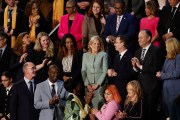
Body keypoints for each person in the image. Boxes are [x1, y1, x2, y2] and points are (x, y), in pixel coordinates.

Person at [131, 29, 163, 120]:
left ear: (149, 38)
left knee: (150, 112)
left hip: (151, 88)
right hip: (139, 88)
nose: (139, 40)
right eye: (138, 38)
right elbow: (134, 71)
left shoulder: (156, 50)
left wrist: (140, 66)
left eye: (141, 38)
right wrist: (134, 67)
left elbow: (156, 68)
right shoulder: (137, 51)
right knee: (141, 113)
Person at [104, 0, 138, 66]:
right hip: (112, 51)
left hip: (125, 50)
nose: (117, 10)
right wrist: (108, 38)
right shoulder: (110, 18)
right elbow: (106, 33)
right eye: (116, 8)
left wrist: (117, 39)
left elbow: (132, 33)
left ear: (124, 8)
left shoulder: (131, 18)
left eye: (119, 8)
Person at [156, 38, 180, 119]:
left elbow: (177, 72)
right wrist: (160, 73)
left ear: (171, 47)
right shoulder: (167, 58)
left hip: (175, 90)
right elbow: (164, 71)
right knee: (170, 112)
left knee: (177, 113)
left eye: (167, 46)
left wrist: (162, 75)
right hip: (166, 89)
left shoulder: (179, 57)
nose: (165, 48)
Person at [81, 35, 108, 109]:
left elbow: (105, 70)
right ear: (90, 44)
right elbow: (83, 71)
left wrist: (98, 84)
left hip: (100, 84)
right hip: (88, 85)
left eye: (98, 44)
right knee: (89, 106)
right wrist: (87, 84)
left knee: (100, 105)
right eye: (95, 43)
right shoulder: (85, 55)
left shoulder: (103, 55)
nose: (97, 46)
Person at [107, 35, 133, 104]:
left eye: (116, 42)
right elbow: (115, 69)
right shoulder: (117, 57)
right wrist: (111, 71)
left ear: (122, 43)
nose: (114, 44)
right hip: (116, 89)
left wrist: (116, 73)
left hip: (124, 89)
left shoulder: (129, 56)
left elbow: (130, 74)